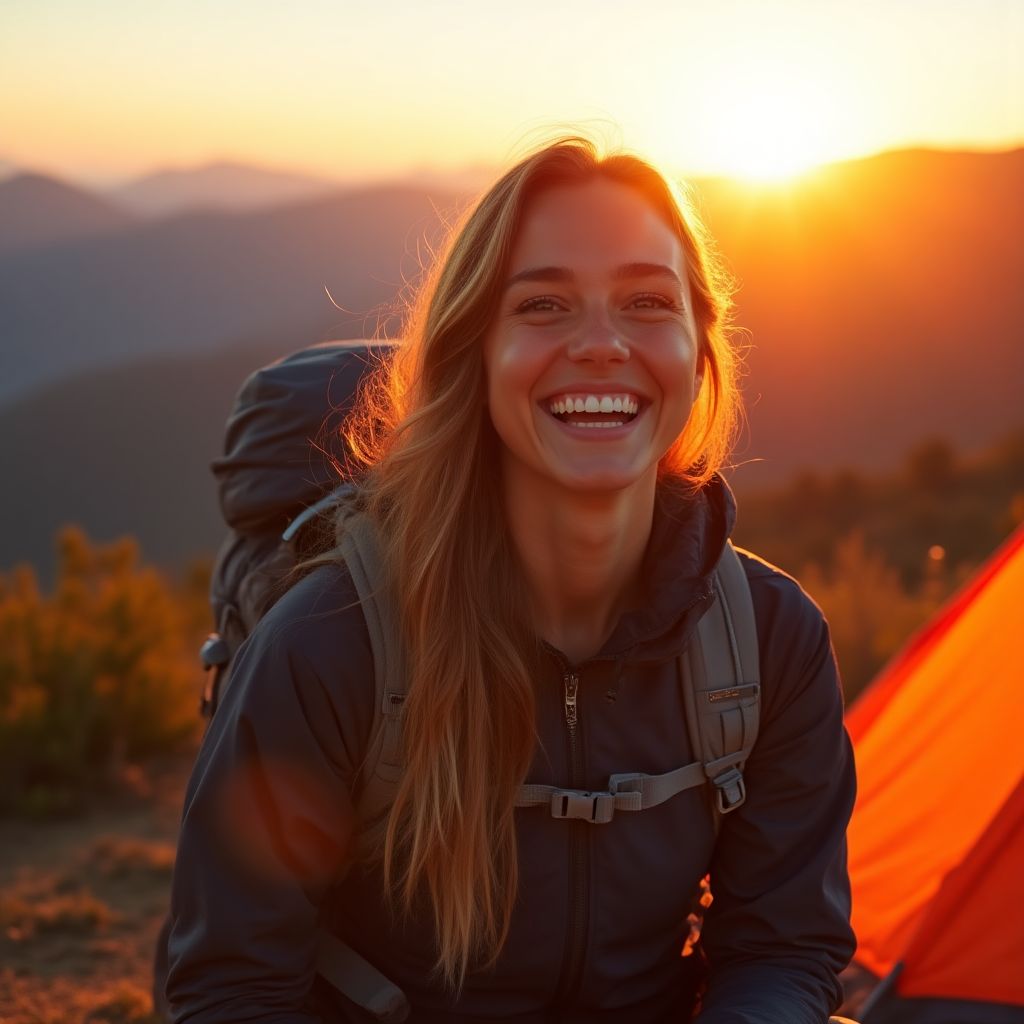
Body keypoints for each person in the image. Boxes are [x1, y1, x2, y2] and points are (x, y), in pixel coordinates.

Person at [165, 136, 856, 1023]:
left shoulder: (769, 639)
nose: (603, 345)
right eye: (544, 305)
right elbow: (235, 989)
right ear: (473, 354)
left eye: (648, 301)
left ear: (700, 350)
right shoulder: (330, 644)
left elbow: (783, 948)